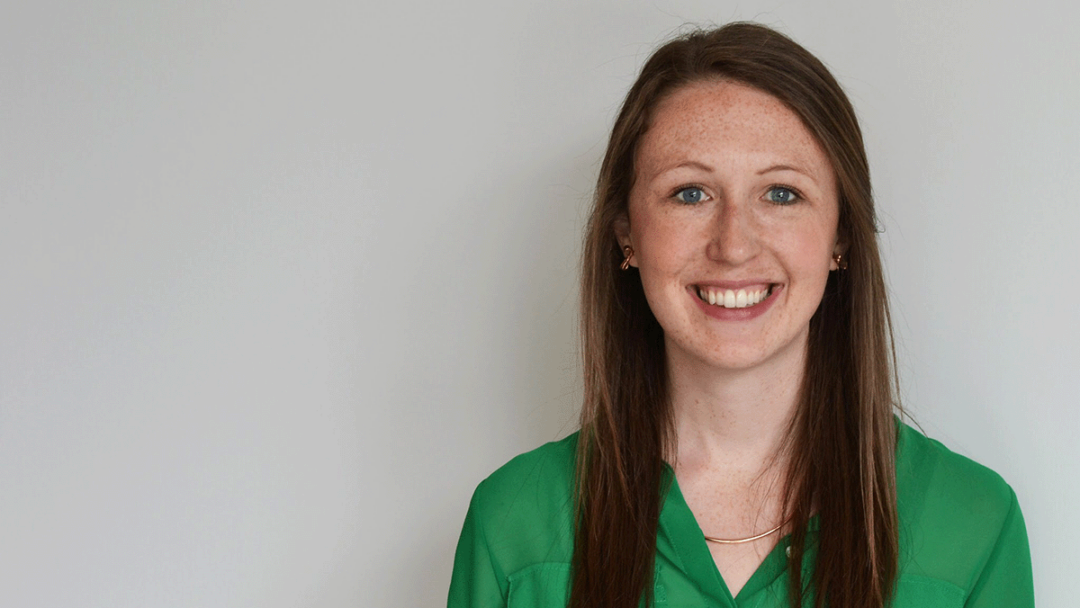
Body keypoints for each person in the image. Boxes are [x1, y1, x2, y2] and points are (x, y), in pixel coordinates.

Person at [447, 22, 1034, 608]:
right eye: (690, 193)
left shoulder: (974, 524)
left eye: (781, 194)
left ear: (841, 239)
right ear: (627, 235)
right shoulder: (513, 526)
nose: (733, 245)